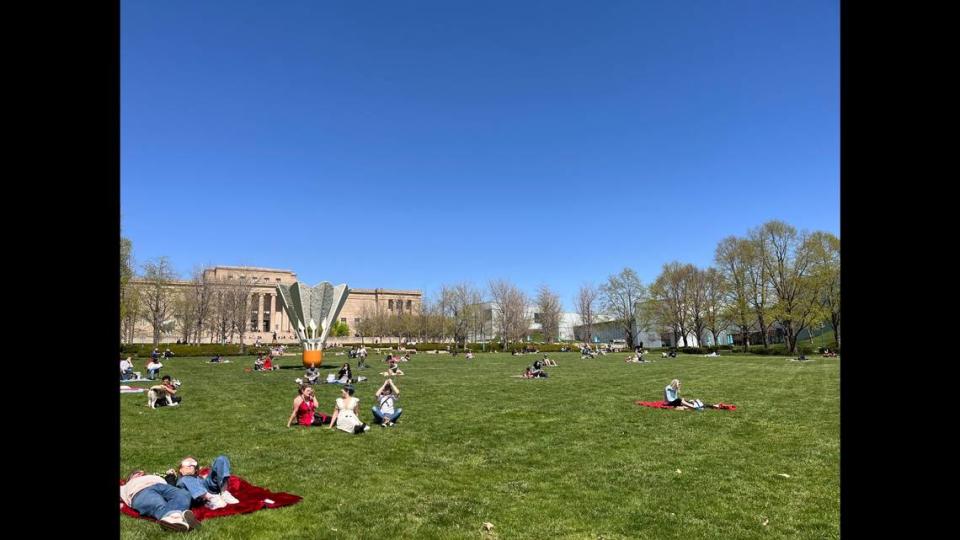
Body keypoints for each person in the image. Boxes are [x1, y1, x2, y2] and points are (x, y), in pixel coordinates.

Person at [120, 470, 200, 532]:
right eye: (135, 474)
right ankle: (179, 519)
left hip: (162, 486)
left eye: (140, 472)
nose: (139, 473)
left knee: (184, 494)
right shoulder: (126, 485)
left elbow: (172, 485)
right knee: (157, 503)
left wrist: (171, 476)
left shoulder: (154, 476)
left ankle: (175, 520)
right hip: (140, 491)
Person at [169, 455, 241, 510]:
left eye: (193, 465)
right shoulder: (181, 479)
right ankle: (212, 499)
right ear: (180, 469)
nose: (191, 466)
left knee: (221, 459)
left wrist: (204, 476)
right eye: (187, 464)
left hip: (206, 486)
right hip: (197, 496)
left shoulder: (199, 476)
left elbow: (204, 478)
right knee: (186, 479)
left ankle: (224, 492)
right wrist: (171, 475)